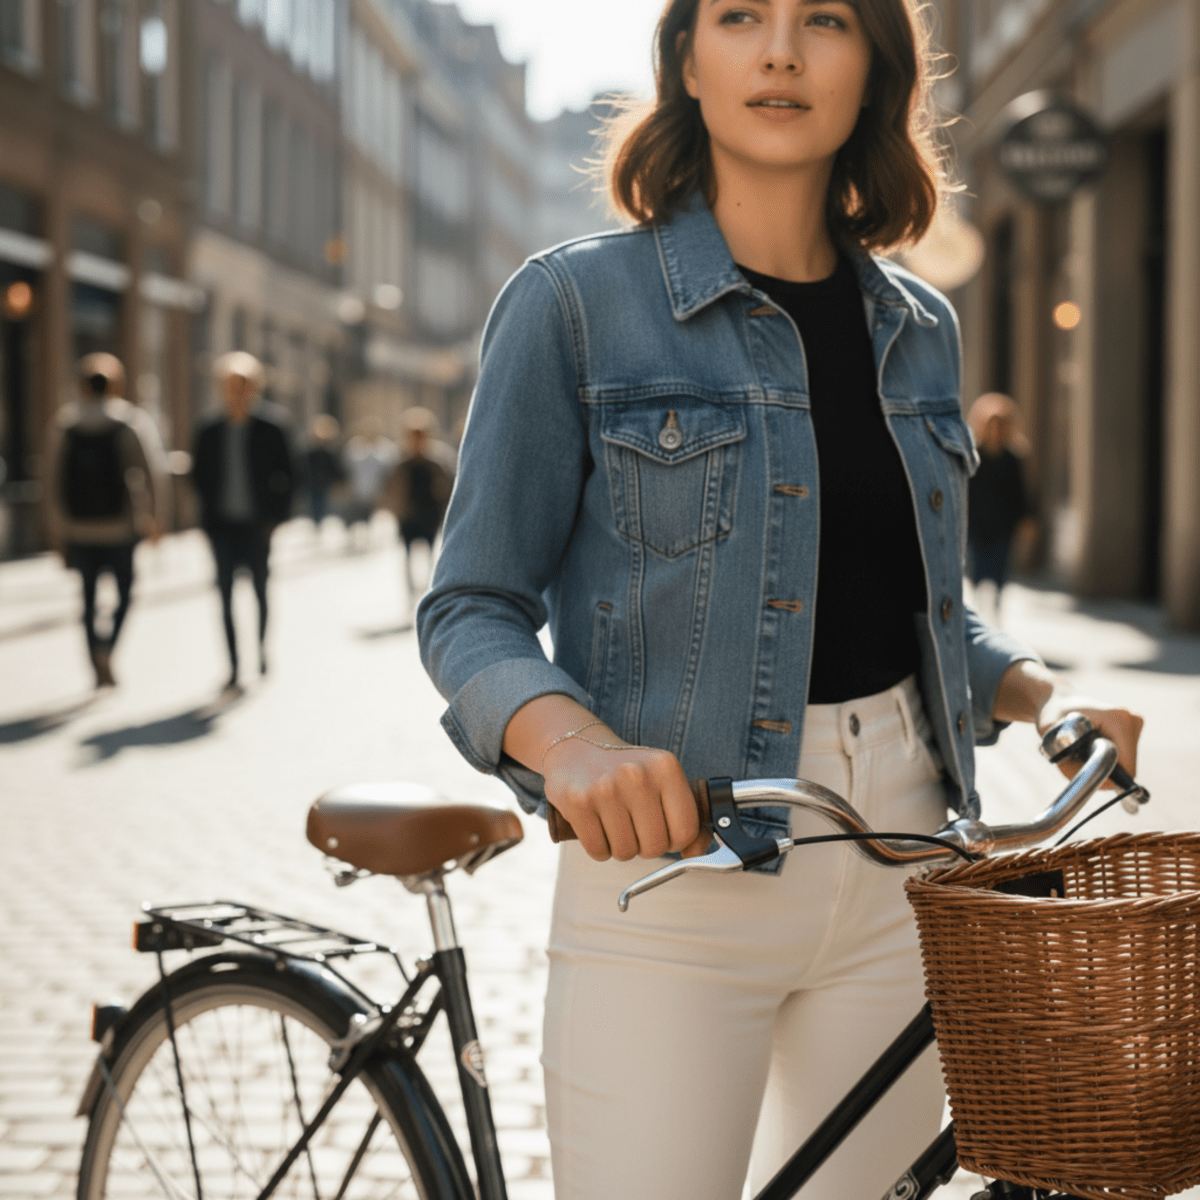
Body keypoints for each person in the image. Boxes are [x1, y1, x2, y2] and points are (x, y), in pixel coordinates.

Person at [417, 3, 1145, 1198]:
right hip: (676, 863)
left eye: (825, 20)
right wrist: (578, 747)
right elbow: (471, 606)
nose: (781, 51)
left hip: (905, 854)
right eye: (740, 15)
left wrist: (1047, 694)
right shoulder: (574, 305)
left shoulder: (921, 329)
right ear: (686, 63)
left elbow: (925, 614)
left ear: (876, 73)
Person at [45, 353, 168, 688]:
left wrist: (57, 528)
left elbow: (51, 480)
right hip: (120, 527)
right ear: (116, 384)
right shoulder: (129, 421)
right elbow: (150, 472)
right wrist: (156, 517)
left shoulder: (66, 423)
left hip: (78, 528)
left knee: (86, 598)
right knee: (125, 593)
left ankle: (95, 659)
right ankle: (107, 649)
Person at [191, 351, 294, 691]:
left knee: (261, 590)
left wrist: (276, 518)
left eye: (244, 385)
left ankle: (261, 649)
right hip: (221, 526)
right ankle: (234, 665)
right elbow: (198, 476)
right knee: (224, 595)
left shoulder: (272, 427)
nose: (238, 392)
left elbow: (290, 476)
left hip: (257, 525)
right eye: (232, 385)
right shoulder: (210, 429)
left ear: (254, 388)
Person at [966, 392, 1032, 623]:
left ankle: (994, 614)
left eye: (1000, 424)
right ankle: (977, 614)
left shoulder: (1013, 457)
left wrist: (1026, 521)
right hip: (976, 523)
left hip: (1004, 525)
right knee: (977, 570)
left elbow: (1021, 492)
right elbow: (966, 491)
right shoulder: (973, 455)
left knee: (999, 571)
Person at [386, 407, 455, 608]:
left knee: (431, 558)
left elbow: (447, 487)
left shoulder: (438, 461)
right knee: (407, 557)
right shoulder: (400, 461)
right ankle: (410, 597)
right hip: (408, 516)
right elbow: (391, 489)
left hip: (429, 515)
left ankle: (428, 594)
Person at [341, 416, 397, 552]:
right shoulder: (354, 446)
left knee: (369, 515)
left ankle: (368, 539)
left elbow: (389, 469)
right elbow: (347, 468)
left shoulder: (385, 447)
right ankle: (352, 539)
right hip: (357, 489)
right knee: (353, 515)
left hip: (375, 490)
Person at [304, 413, 343, 533]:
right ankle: (317, 523)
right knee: (314, 505)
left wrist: (338, 481)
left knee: (322, 505)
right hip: (313, 483)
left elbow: (335, 468)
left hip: (324, 484)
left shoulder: (330, 452)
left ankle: (319, 523)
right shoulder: (310, 451)